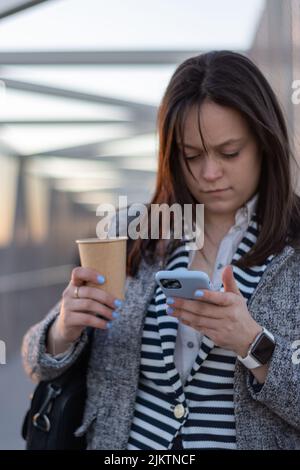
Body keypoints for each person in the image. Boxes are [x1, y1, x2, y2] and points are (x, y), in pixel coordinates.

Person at [22, 50, 300, 450]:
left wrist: (252, 344)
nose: (209, 174)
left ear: (265, 143)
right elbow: (35, 361)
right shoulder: (131, 233)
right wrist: (64, 329)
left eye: (229, 153)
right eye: (191, 155)